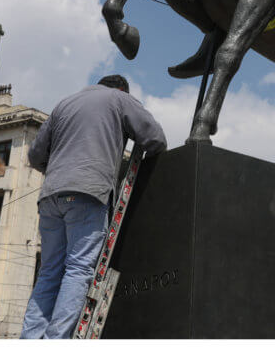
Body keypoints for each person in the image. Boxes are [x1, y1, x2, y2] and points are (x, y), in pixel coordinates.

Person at [20, 74, 166, 338]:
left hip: (51, 196)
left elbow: (35, 155)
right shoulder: (120, 99)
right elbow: (155, 138)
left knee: (49, 271)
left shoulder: (64, 104)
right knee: (78, 268)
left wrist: (59, 172)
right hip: (88, 193)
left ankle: (30, 340)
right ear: (122, 89)